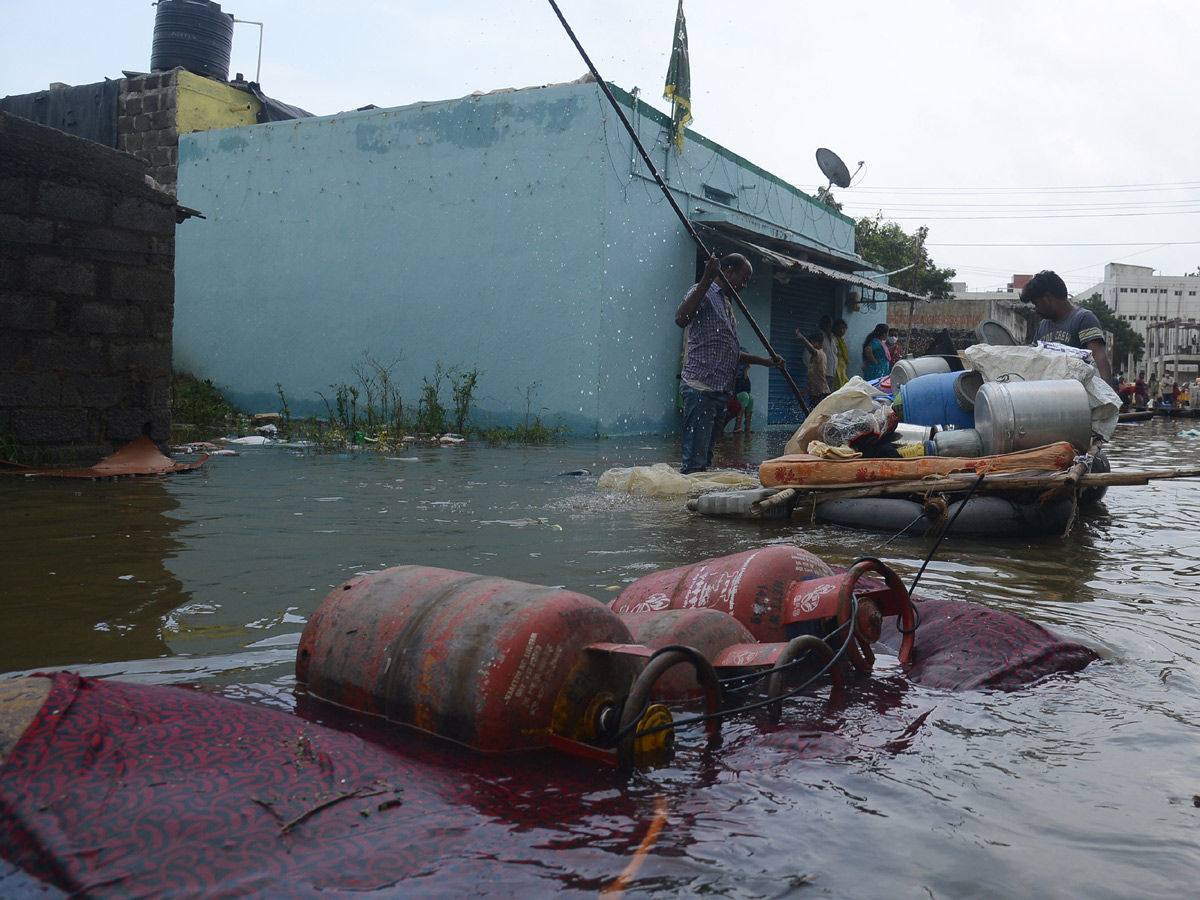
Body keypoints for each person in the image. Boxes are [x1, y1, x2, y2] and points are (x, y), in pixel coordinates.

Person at [675, 253, 785, 473]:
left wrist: (765, 361)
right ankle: (685, 505)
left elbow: (728, 351)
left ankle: (696, 501)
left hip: (719, 393)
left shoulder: (726, 303)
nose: (743, 285)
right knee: (694, 465)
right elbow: (681, 318)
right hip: (701, 390)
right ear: (728, 271)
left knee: (705, 460)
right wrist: (707, 278)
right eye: (742, 278)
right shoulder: (703, 292)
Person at [1019, 270, 1113, 385]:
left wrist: (1107, 392)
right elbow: (1034, 361)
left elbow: (1099, 356)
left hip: (1078, 396)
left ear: (1048, 298)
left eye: (1036, 303)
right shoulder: (1043, 326)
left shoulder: (1083, 319)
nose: (1036, 309)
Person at [793, 330, 829, 405]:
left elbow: (812, 350)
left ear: (820, 344)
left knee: (819, 415)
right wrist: (806, 390)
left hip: (821, 393)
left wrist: (802, 338)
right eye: (810, 343)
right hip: (814, 393)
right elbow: (814, 378)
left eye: (813, 343)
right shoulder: (813, 358)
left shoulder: (820, 354)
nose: (811, 345)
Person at [729, 360, 754, 433]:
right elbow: (738, 388)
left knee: (751, 398)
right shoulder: (735, 373)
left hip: (740, 395)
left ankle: (747, 426)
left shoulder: (744, 374)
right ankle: (737, 426)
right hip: (732, 396)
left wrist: (745, 372)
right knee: (745, 396)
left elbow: (748, 389)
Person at [832, 318, 850, 389]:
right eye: (840, 328)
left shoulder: (842, 340)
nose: (842, 330)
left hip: (842, 366)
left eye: (844, 328)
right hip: (836, 366)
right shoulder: (833, 339)